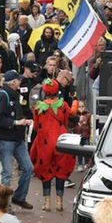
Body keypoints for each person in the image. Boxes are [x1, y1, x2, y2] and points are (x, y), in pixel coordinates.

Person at [30, 78, 76, 212]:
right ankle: (59, 202)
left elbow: (37, 125)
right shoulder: (63, 105)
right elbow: (68, 118)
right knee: (61, 170)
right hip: (60, 140)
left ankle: (47, 202)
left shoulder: (39, 106)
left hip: (44, 141)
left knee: (45, 169)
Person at [0, 70, 36, 210]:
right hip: (6, 140)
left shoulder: (16, 95)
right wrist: (16, 123)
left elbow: (20, 113)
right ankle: (4, 205)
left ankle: (19, 197)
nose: (20, 82)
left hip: (18, 139)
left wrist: (26, 120)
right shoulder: (2, 96)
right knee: (7, 173)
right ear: (13, 82)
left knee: (28, 168)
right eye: (18, 80)